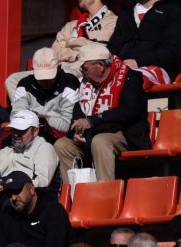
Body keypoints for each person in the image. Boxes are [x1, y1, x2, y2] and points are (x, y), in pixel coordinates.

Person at [54, 44, 149, 183]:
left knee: (100, 141)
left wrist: (92, 122)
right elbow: (78, 111)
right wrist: (77, 133)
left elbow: (127, 112)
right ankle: (75, 196)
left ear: (100, 65)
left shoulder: (130, 78)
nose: (82, 73)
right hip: (92, 135)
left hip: (124, 134)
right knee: (62, 145)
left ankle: (105, 195)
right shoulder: (86, 83)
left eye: (85, 69)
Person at [0, 111, 59, 190]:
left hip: (30, 195)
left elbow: (42, 182)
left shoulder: (44, 148)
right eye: (14, 130)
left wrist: (10, 186)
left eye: (21, 130)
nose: (16, 134)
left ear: (35, 131)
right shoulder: (7, 149)